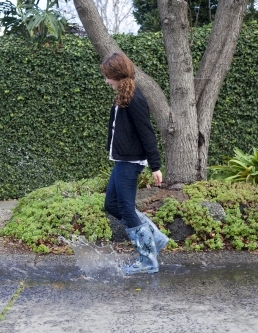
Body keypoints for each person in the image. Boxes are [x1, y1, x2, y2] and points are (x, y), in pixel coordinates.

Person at [100, 52, 169, 274]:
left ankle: (148, 259)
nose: (106, 80)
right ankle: (155, 238)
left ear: (117, 75)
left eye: (108, 76)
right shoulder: (123, 96)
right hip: (123, 160)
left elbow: (147, 133)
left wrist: (155, 166)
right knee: (111, 204)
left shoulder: (135, 99)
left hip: (131, 162)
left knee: (127, 209)